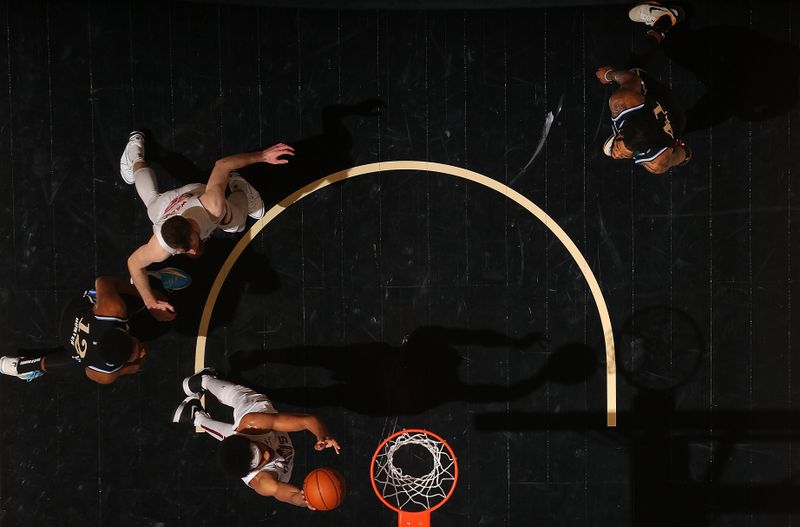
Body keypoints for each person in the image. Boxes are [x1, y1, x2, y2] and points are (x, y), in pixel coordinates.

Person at [120, 131, 294, 316]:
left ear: (190, 227)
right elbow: (134, 263)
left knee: (236, 223)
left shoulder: (211, 206)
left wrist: (263, 156)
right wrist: (148, 299)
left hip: (195, 193)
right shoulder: (160, 247)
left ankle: (241, 188)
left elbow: (222, 165)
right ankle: (134, 153)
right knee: (151, 200)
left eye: (191, 244)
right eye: (184, 251)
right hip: (165, 208)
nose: (193, 252)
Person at [172, 370, 340, 508]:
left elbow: (307, 421)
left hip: (251, 412)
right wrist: (307, 499)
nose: (268, 455)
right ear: (251, 470)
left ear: (248, 440)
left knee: (238, 396)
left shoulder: (254, 423)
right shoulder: (262, 481)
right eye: (260, 460)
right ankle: (195, 416)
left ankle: (203, 381)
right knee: (227, 436)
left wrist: (322, 435)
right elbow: (290, 495)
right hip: (243, 441)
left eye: (260, 449)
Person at [0, 275, 172, 384]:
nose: (141, 350)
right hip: (71, 335)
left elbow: (103, 281)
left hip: (76, 311)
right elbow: (91, 371)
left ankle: (25, 366)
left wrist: (147, 295)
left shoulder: (112, 310)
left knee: (128, 301)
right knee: (81, 360)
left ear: (122, 333)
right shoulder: (106, 374)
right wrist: (135, 366)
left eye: (137, 346)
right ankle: (26, 366)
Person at [596, 1, 691, 174]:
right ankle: (663, 20)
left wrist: (682, 153)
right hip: (659, 99)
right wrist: (609, 74)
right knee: (633, 67)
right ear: (619, 134)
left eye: (614, 150)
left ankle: (669, 19)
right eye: (617, 151)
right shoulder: (621, 104)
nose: (615, 154)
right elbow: (629, 77)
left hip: (676, 121)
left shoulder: (656, 159)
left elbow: (682, 155)